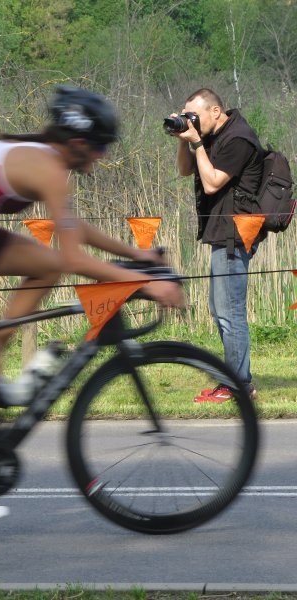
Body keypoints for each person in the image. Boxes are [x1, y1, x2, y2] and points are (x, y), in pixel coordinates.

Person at [0, 85, 185, 523]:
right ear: (78, 143)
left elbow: (73, 231)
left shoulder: (46, 160)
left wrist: (136, 255)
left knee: (46, 265)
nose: (102, 156)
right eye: (100, 147)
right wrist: (145, 283)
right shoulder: (48, 168)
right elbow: (76, 258)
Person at [169, 88, 263, 403]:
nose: (192, 121)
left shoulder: (238, 138)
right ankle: (235, 382)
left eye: (194, 115)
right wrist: (184, 138)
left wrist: (197, 142)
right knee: (220, 309)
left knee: (229, 312)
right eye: (187, 116)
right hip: (221, 232)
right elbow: (185, 170)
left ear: (215, 111)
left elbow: (211, 183)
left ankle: (238, 386)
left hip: (234, 234)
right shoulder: (212, 134)